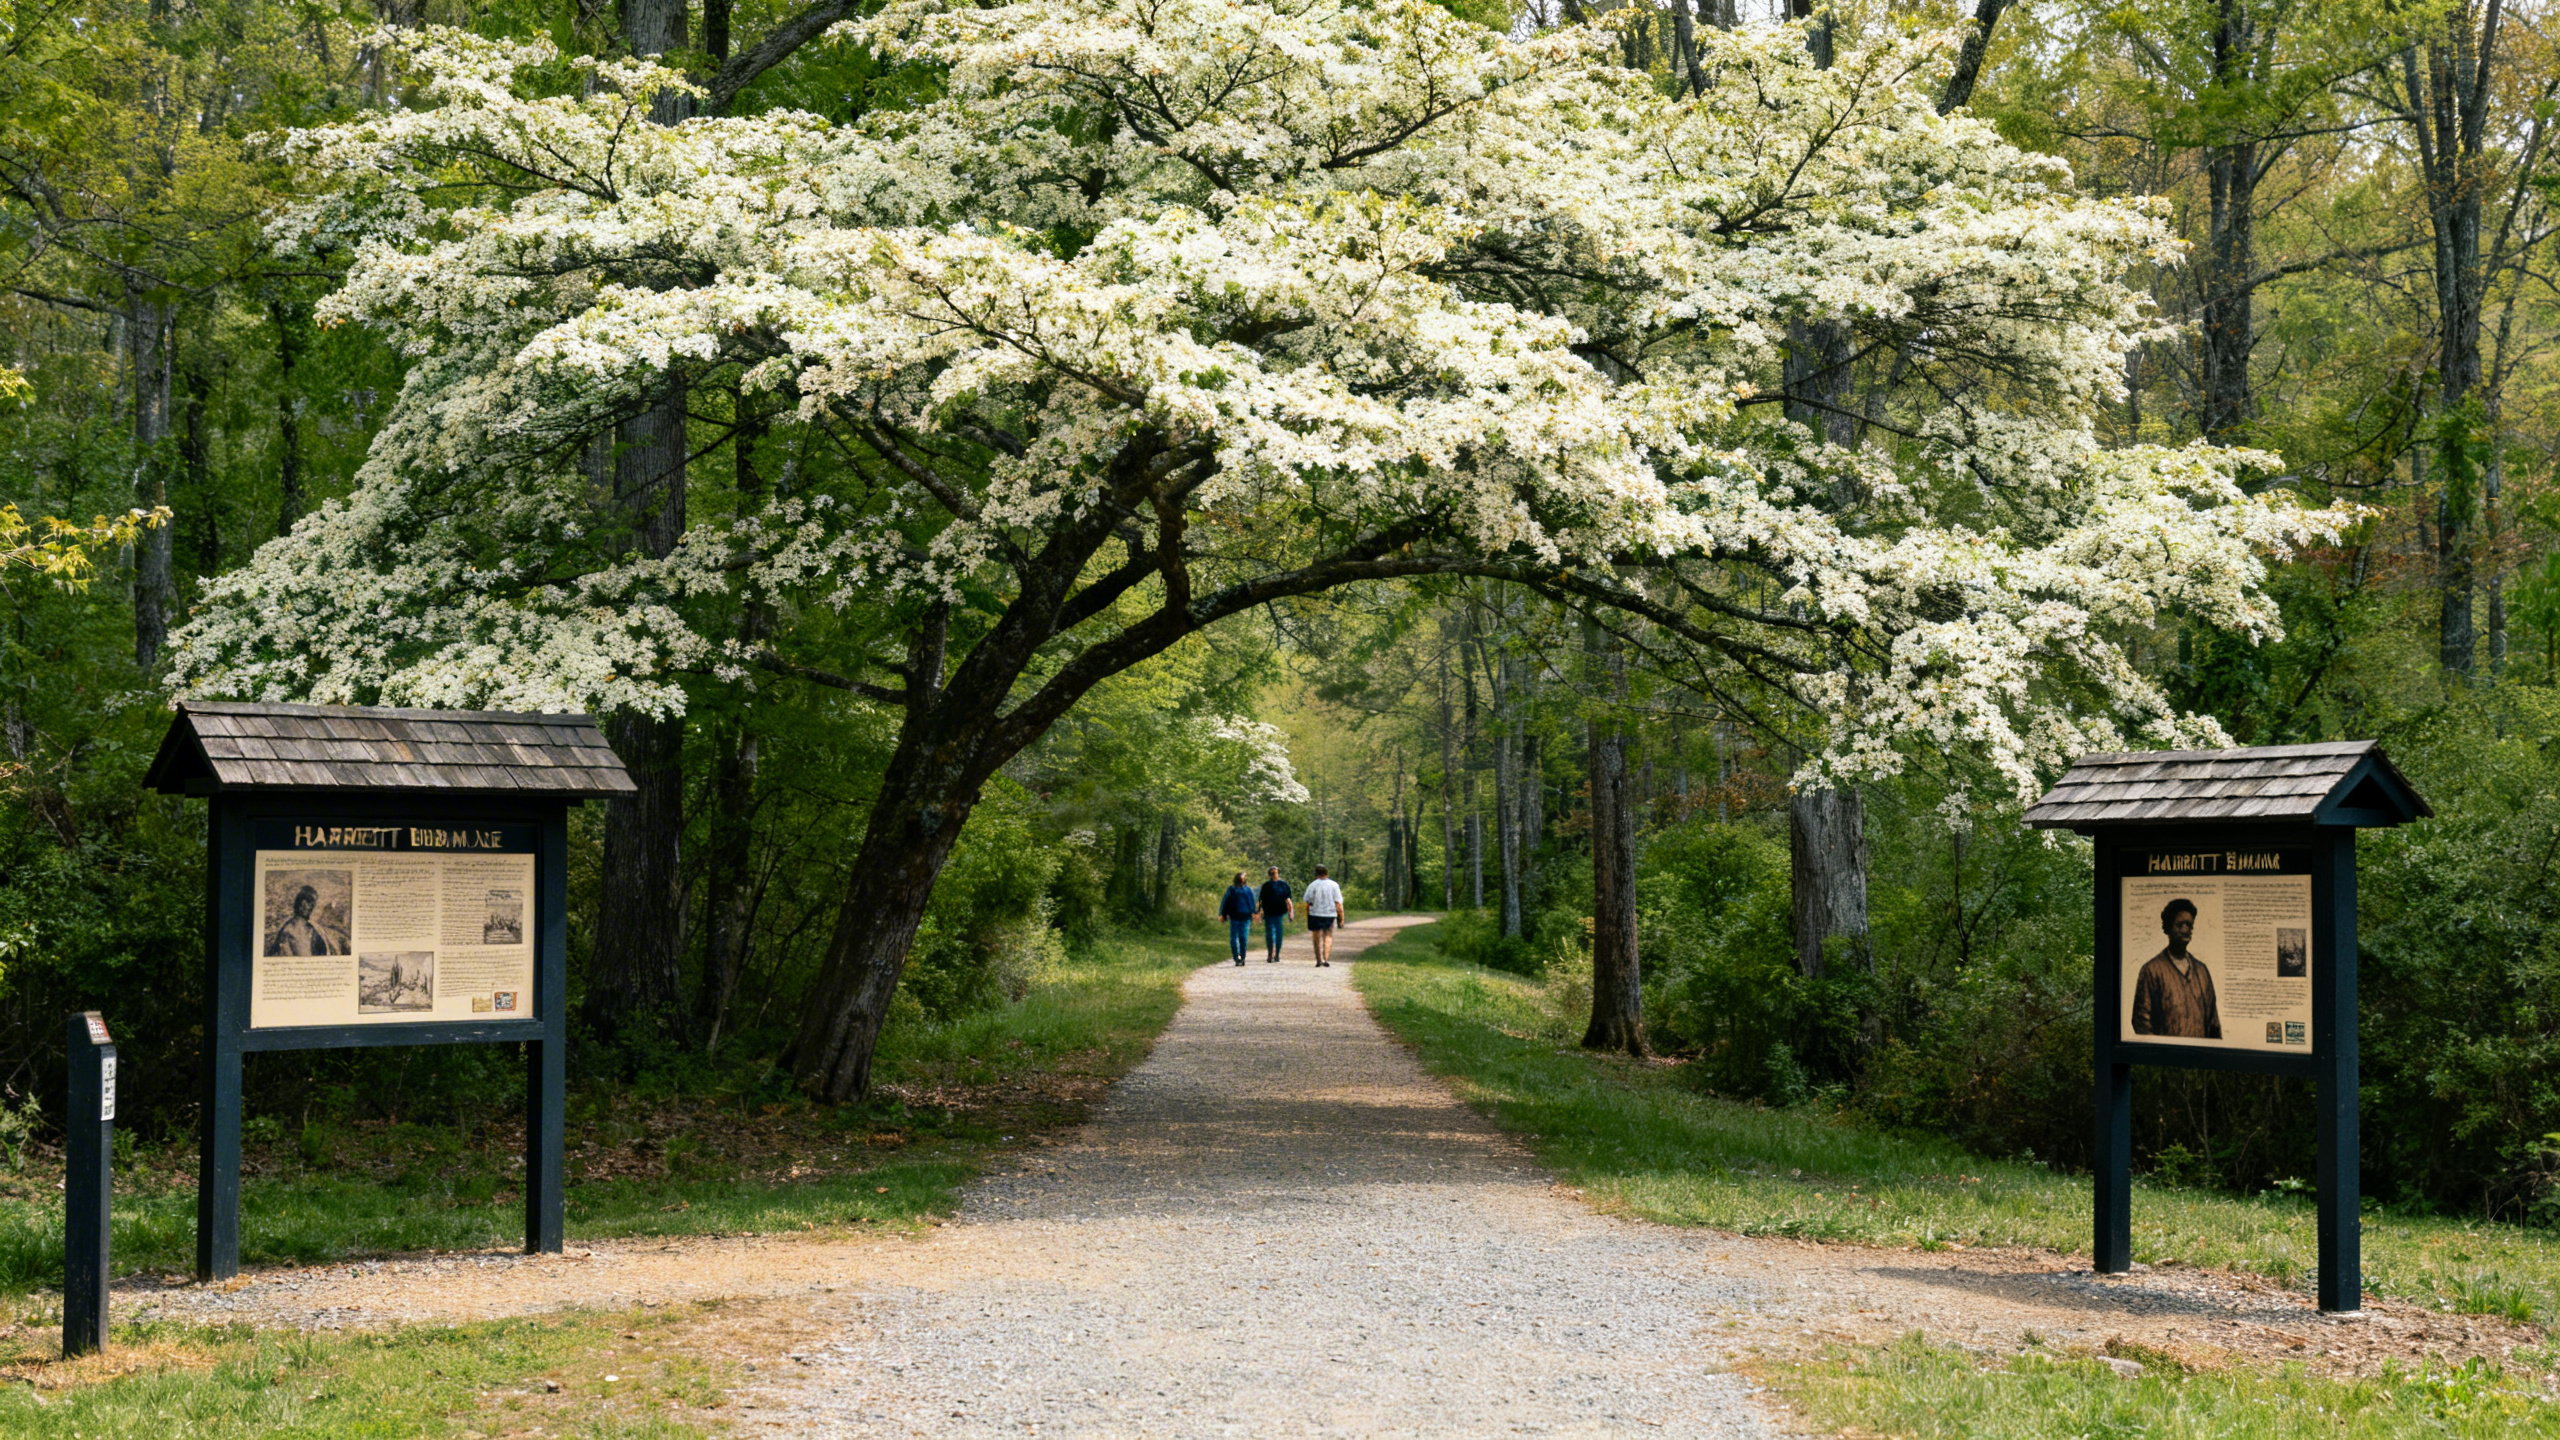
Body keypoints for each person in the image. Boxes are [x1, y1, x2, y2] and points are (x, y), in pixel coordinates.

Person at [2130, 897, 2221, 1039]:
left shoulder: (2202, 971)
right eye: (2180, 925)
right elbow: (2141, 1021)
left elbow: (2213, 1022)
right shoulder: (2152, 970)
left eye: (2189, 925)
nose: (2185, 930)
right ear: (2168, 928)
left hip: (2199, 1056)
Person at [268, 883, 338, 956]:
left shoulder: (315, 928)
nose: (311, 906)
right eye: (308, 901)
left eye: (312, 903)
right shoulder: (288, 930)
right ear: (299, 903)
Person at [1302, 865, 1345, 967]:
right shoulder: (1334, 885)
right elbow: (1338, 903)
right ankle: (1326, 958)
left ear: (1316, 874)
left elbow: (1307, 902)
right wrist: (1341, 917)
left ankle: (1318, 959)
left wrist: (1307, 915)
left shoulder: (1312, 885)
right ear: (1327, 873)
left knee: (1316, 936)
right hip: (1330, 914)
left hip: (1315, 913)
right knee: (1328, 935)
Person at [1220, 872, 1258, 965]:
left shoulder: (1231, 889)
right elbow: (1251, 903)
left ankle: (1237, 957)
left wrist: (1223, 914)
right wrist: (1254, 912)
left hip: (1236, 917)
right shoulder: (1247, 890)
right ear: (1244, 880)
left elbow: (1225, 902)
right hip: (1244, 917)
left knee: (1235, 938)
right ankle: (1241, 957)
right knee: (1242, 938)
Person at [1257, 866, 1293, 963]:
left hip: (1278, 912)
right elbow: (1260, 901)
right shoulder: (1267, 886)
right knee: (1272, 933)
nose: (1274, 875)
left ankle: (1275, 953)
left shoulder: (1283, 885)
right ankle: (1271, 953)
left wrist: (1291, 913)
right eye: (1273, 873)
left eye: (1275, 873)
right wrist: (1259, 913)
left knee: (1276, 934)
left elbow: (1288, 901)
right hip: (1269, 912)